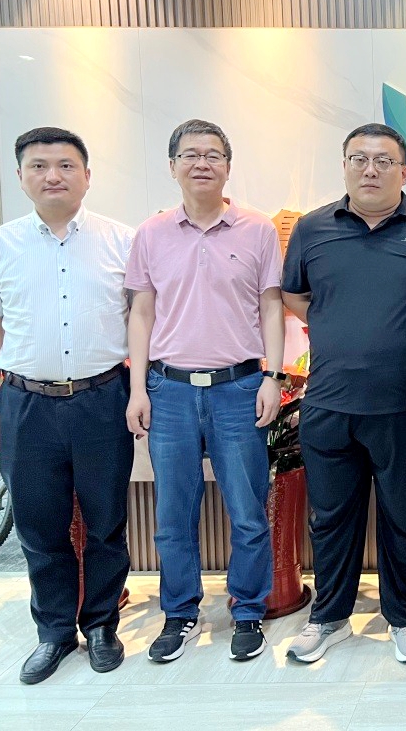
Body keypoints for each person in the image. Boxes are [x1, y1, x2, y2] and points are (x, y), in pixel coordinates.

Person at [280, 123, 406, 664]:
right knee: (330, 520)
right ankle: (329, 618)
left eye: (383, 160)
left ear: (404, 172)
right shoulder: (312, 229)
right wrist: (338, 325)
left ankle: (403, 618)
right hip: (329, 404)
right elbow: (294, 295)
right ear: (344, 167)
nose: (370, 169)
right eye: (359, 159)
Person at [125, 119, 285, 663]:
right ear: (172, 166)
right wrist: (137, 389)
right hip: (168, 391)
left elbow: (270, 306)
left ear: (228, 167)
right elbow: (141, 312)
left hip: (238, 388)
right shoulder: (151, 234)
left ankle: (248, 610)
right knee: (173, 515)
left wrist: (272, 376)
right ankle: (180, 613)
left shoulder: (257, 229)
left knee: (247, 511)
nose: (202, 163)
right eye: (190, 154)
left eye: (213, 154)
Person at [0, 127, 134, 684]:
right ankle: (53, 632)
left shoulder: (121, 241)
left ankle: (101, 624)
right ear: (21, 176)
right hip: (25, 402)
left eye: (66, 165)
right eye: (39, 166)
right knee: (38, 525)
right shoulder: (0, 244)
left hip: (102, 398)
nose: (53, 175)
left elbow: (143, 321)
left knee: (106, 521)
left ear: (87, 176)